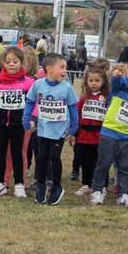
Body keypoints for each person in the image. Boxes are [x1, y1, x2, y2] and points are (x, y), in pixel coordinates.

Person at [90, 53, 128, 207]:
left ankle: (123, 194)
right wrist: (116, 76)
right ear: (127, 69)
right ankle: (97, 190)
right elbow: (114, 85)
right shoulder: (120, 82)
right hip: (110, 131)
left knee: (125, 167)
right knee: (103, 164)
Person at [23, 53, 78, 205]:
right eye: (62, 67)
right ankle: (40, 186)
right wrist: (26, 118)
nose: (65, 71)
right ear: (49, 69)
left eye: (65, 68)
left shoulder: (67, 87)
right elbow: (30, 101)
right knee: (41, 158)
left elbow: (73, 107)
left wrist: (74, 126)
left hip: (59, 131)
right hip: (42, 129)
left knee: (54, 157)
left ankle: (56, 187)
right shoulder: (38, 84)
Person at [0, 47, 35, 198]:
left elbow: (34, 102)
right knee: (0, 154)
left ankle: (19, 184)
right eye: (8, 62)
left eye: (15, 61)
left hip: (19, 125)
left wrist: (32, 118)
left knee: (18, 154)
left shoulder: (28, 82)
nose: (11, 64)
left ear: (22, 63)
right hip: (0, 123)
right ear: (3, 63)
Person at [74, 66, 109, 197]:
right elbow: (78, 114)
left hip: (100, 135)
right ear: (86, 82)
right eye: (91, 80)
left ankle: (102, 185)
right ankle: (86, 184)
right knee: (86, 161)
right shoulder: (84, 98)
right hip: (84, 135)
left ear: (103, 82)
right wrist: (75, 132)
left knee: (101, 162)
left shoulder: (106, 98)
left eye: (97, 80)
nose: (94, 83)